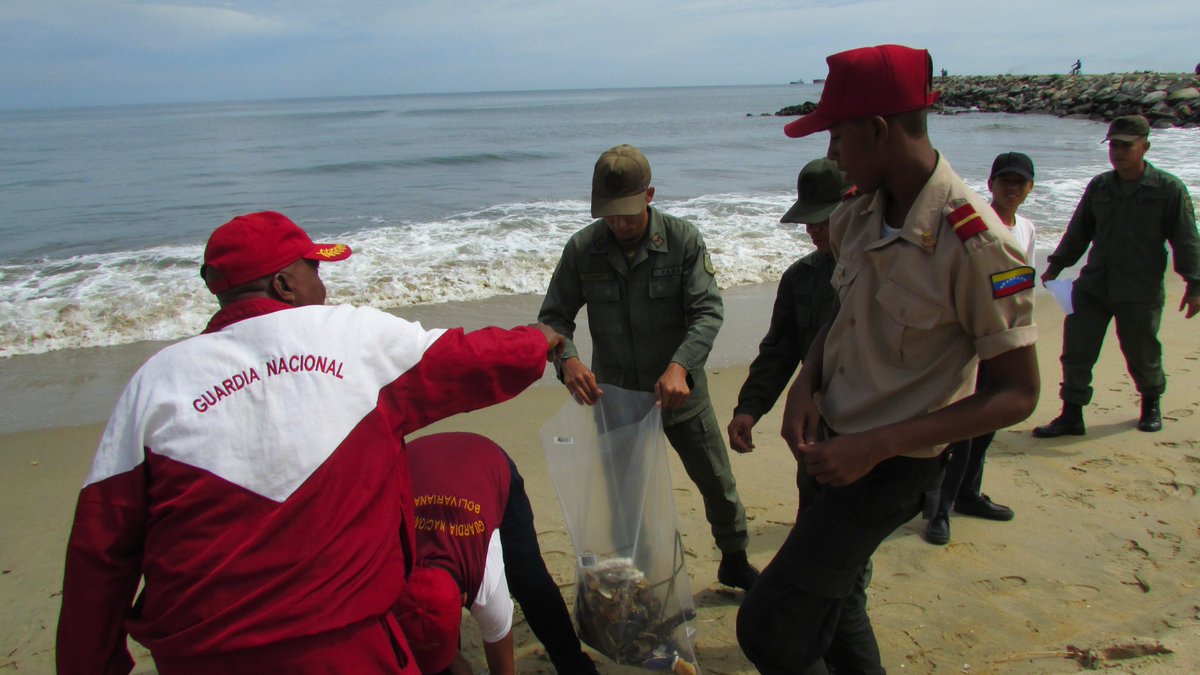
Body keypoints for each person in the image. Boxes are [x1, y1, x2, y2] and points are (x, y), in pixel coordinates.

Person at [56, 211, 565, 675]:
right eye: (314, 271)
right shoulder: (351, 338)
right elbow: (472, 357)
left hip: (198, 654)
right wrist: (539, 341)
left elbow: (99, 551)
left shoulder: (156, 381)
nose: (323, 286)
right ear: (285, 284)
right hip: (340, 645)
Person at [735, 45, 1040, 674]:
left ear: (877, 131)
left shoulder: (985, 246)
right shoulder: (860, 211)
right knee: (838, 604)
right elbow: (845, 314)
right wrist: (806, 384)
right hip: (830, 444)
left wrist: (875, 446)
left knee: (769, 628)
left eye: (838, 137)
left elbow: (1016, 394)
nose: (833, 154)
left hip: (892, 466)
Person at [538, 144, 759, 591]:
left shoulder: (683, 241)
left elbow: (707, 312)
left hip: (681, 397)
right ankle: (642, 576)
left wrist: (680, 366)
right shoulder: (582, 249)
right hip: (617, 401)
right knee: (625, 500)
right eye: (608, 215)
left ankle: (734, 559)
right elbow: (552, 318)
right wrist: (569, 360)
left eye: (626, 213)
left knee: (718, 482)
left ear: (650, 195)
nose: (617, 224)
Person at [1033, 115, 1200, 438]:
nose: (1117, 152)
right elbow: (1078, 231)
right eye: (1113, 145)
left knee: (1142, 350)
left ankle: (1150, 403)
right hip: (1094, 285)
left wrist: (1194, 284)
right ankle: (1071, 414)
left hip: (1140, 288)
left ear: (1144, 147)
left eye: (1125, 145)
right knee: (1077, 350)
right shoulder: (1100, 186)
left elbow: (1186, 239)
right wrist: (1055, 266)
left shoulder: (1167, 190)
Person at [392, 432, 598, 675]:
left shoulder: (488, 588)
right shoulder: (386, 567)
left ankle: (576, 667)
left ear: (465, 598)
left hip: (485, 462)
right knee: (435, 648)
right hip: (413, 466)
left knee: (529, 581)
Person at [925, 151, 1037, 545]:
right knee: (960, 430)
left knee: (988, 424)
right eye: (1004, 180)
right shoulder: (973, 225)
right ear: (990, 185)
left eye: (1019, 182)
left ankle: (969, 493)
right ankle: (938, 510)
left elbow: (1022, 285)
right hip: (972, 337)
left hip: (1005, 337)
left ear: (1029, 188)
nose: (1011, 188)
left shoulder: (1026, 228)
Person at [727, 157, 851, 455]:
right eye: (808, 220)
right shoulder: (800, 277)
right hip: (815, 421)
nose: (812, 229)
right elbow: (779, 352)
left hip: (873, 423)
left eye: (823, 219)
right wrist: (749, 408)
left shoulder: (885, 269)